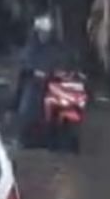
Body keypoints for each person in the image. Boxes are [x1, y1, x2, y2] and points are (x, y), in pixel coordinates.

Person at [12, 15, 68, 144]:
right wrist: (34, 72)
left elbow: (60, 63)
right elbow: (25, 63)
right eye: (43, 33)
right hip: (33, 86)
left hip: (52, 86)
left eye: (47, 33)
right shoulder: (31, 47)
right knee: (27, 110)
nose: (45, 36)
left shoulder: (54, 49)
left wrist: (57, 73)